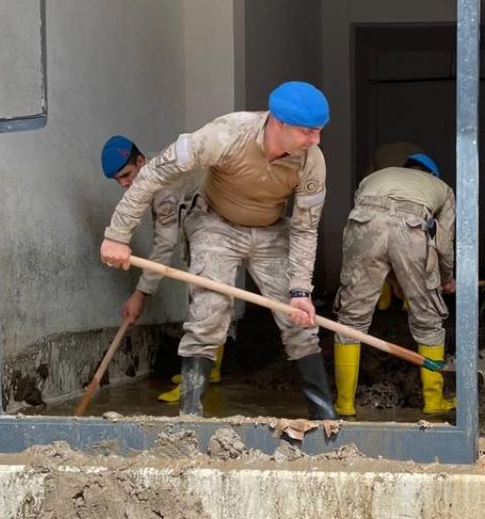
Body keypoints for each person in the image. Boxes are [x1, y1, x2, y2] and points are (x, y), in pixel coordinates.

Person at [99, 81, 335, 419]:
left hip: (270, 232)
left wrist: (300, 290)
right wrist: (117, 234)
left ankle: (324, 420)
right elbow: (152, 174)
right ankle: (190, 421)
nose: (316, 141)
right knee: (208, 317)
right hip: (215, 225)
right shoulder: (225, 135)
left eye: (319, 131)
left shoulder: (312, 162)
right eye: (308, 132)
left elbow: (305, 227)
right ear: (279, 122)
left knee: (301, 323)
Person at [99, 135, 227, 404]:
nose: (124, 184)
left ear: (141, 161)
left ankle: (196, 380)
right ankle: (210, 369)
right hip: (203, 216)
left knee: (205, 296)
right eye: (117, 180)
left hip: (215, 220)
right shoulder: (153, 163)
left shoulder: (162, 187)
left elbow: (164, 245)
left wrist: (140, 294)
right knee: (205, 292)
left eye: (126, 175)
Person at [333, 153, 456, 417]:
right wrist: (446, 279)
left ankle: (344, 404)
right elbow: (444, 243)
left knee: (351, 319)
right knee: (428, 320)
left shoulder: (373, 178)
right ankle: (433, 402)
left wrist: (393, 277)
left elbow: (377, 235)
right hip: (413, 226)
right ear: (431, 175)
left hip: (364, 221)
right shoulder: (443, 189)